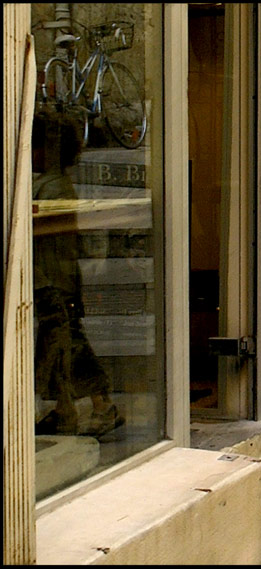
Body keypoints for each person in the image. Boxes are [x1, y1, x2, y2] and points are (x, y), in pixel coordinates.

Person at [32, 107, 125, 438]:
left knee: (69, 347)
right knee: (57, 349)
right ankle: (65, 410)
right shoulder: (49, 184)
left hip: (54, 281)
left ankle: (101, 405)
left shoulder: (53, 188)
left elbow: (44, 233)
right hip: (53, 279)